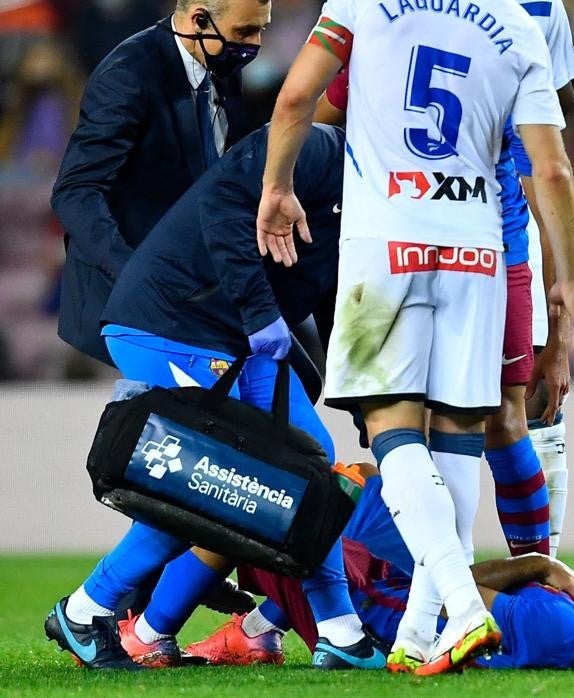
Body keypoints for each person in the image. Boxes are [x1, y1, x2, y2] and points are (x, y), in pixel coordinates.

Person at [257, 0, 574, 675]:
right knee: (463, 436)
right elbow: (551, 168)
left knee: (392, 431)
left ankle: (463, 609)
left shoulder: (359, 3)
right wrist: (570, 282)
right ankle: (417, 630)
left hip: (387, 245)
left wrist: (277, 185)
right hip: (480, 251)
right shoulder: (520, 24)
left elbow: (295, 98)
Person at [44, 124, 387, 671]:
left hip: (237, 335)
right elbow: (224, 205)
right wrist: (260, 317)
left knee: (315, 474)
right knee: (203, 486)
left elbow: (339, 295)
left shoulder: (391, 189)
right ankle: (87, 610)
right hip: (170, 322)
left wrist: (361, 398)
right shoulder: (316, 149)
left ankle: (341, 633)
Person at [310, 0, 574, 565]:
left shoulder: (378, 10)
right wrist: (570, 269)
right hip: (484, 245)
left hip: (420, 244)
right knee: (477, 423)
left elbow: (311, 111)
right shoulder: (520, 18)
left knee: (425, 425)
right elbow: (556, 155)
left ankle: (501, 580)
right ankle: (465, 587)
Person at [193, 443, 574, 670]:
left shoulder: (559, 627)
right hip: (399, 575)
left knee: (250, 502)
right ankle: (260, 626)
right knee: (371, 479)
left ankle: (140, 625)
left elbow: (453, 586)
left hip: (374, 608)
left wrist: (540, 564)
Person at [52, 0, 269, 367]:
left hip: (198, 283)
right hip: (131, 295)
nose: (256, 42)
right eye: (245, 31)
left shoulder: (221, 64)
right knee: (170, 410)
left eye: (261, 28)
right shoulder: (130, 74)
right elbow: (75, 191)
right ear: (199, 20)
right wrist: (135, 273)